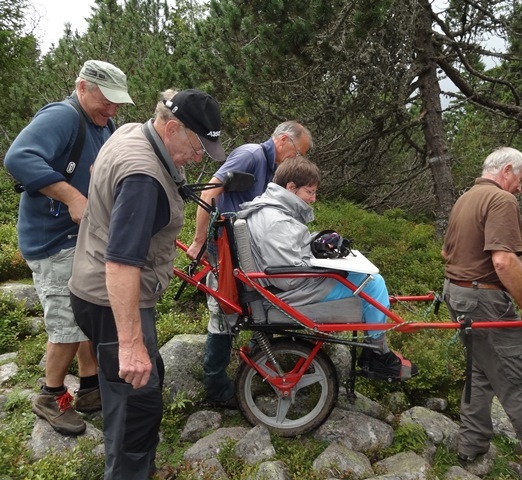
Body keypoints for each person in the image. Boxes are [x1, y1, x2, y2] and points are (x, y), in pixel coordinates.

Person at [68, 88, 225, 480]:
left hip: (96, 290)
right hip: (112, 300)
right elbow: (120, 264)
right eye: (197, 147)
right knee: (136, 404)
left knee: (137, 389)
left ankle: (136, 467)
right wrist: (131, 345)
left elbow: (96, 177)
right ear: (170, 128)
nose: (198, 158)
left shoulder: (132, 133)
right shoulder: (143, 177)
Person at [4, 60, 134, 436]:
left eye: (117, 104)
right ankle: (51, 396)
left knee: (84, 312)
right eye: (106, 100)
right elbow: (18, 158)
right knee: (66, 322)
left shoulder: (102, 124)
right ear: (82, 87)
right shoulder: (62, 116)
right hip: (52, 239)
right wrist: (72, 197)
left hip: (79, 239)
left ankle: (91, 388)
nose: (111, 110)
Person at [237, 156, 418, 380]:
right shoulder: (277, 221)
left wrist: (316, 243)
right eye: (309, 192)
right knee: (372, 283)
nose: (313, 199)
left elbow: (287, 251)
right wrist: (329, 268)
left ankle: (375, 349)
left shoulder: (270, 211)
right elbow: (287, 278)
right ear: (291, 187)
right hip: (288, 293)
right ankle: (377, 355)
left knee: (365, 279)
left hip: (280, 288)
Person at [440, 147, 522, 479]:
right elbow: (504, 260)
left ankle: (472, 444)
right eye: (520, 179)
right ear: (507, 170)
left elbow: (444, 251)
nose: (520, 187)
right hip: (484, 300)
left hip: (458, 294)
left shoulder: (467, 197)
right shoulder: (502, 201)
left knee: (481, 370)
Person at [186, 121, 312, 407]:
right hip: (225, 249)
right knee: (223, 313)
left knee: (256, 306)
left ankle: (257, 368)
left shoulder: (271, 167)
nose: (297, 160)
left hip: (246, 252)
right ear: (282, 140)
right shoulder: (252, 155)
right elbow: (209, 193)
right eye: (297, 153)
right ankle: (216, 388)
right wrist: (198, 241)